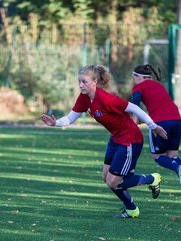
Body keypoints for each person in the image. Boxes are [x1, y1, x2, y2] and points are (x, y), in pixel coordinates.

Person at [40, 64, 168, 219]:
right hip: (115, 138)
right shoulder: (84, 98)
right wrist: (55, 123)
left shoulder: (106, 99)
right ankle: (132, 209)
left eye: (85, 81)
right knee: (106, 178)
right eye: (79, 81)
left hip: (129, 139)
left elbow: (135, 108)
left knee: (113, 182)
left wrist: (153, 126)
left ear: (95, 82)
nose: (81, 85)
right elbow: (70, 118)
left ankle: (152, 180)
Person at [130, 64, 181, 195]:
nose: (133, 80)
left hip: (160, 124)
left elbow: (134, 104)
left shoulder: (139, 86)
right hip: (176, 120)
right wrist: (141, 119)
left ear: (138, 77)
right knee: (172, 155)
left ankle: (179, 168)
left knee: (157, 156)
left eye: (133, 77)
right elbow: (157, 106)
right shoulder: (158, 85)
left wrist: (133, 123)